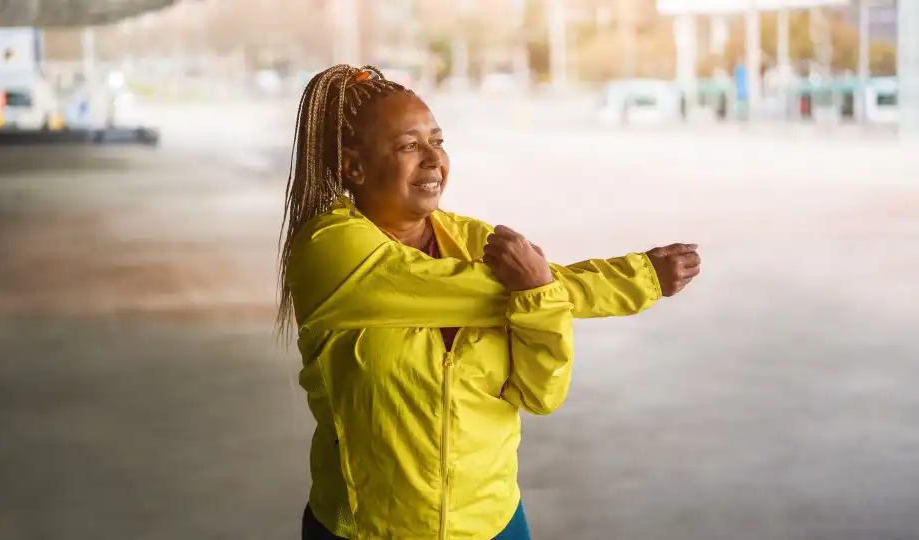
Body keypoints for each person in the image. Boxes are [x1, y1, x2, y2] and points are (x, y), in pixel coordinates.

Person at [278, 65, 701, 540]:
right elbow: (498, 290)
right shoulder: (330, 251)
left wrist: (540, 300)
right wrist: (635, 278)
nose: (434, 160)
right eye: (408, 146)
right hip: (367, 529)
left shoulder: (474, 241)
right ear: (354, 166)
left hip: (493, 523)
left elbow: (540, 393)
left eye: (437, 141)